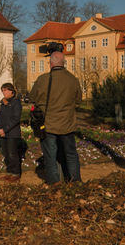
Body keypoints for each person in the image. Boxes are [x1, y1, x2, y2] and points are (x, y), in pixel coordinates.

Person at [29, 50, 82, 184]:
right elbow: (78, 101)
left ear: (51, 63)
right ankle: (75, 181)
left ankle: (54, 183)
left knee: (50, 156)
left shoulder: (42, 79)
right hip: (68, 124)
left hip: (49, 124)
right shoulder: (73, 79)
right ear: (63, 63)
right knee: (71, 154)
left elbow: (32, 98)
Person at [0, 82, 22, 182]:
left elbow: (15, 119)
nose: (3, 92)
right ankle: (9, 172)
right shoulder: (3, 103)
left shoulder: (16, 103)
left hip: (12, 133)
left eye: (5, 90)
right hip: (3, 133)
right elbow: (0, 117)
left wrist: (5, 129)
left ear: (12, 91)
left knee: (12, 153)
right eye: (2, 90)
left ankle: (15, 173)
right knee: (6, 154)